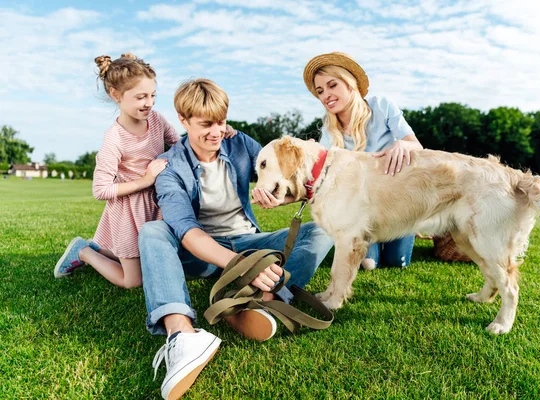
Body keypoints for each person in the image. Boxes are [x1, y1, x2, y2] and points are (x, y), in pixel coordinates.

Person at [139, 78, 333, 400]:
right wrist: (244, 266)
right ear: (183, 121)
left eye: (221, 122)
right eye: (205, 124)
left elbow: (284, 177)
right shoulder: (171, 167)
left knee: (324, 229)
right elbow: (187, 232)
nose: (216, 132)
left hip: (248, 240)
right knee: (153, 230)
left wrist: (279, 197)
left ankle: (265, 298)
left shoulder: (240, 143)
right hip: (201, 252)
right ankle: (182, 334)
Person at [53, 53, 183, 288]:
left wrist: (217, 132)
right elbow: (100, 190)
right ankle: (84, 251)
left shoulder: (156, 120)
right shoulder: (114, 139)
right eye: (141, 97)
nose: (149, 103)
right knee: (133, 280)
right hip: (129, 210)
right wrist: (145, 180)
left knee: (151, 259)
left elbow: (179, 144)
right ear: (116, 95)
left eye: (153, 95)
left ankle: (98, 247)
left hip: (155, 202)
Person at [303, 52, 424, 271]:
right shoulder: (329, 130)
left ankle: (407, 227)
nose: (326, 95)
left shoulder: (382, 106)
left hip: (397, 202)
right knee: (368, 264)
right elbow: (324, 175)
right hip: (362, 210)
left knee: (397, 263)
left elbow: (417, 147)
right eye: (320, 91)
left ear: (350, 84)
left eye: (332, 85)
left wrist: (403, 144)